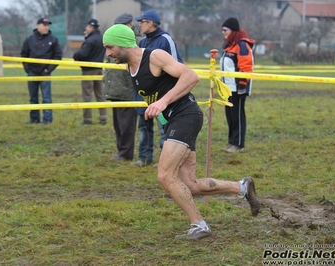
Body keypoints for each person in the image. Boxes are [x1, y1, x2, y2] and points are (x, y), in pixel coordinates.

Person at [103, 24, 260, 240]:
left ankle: (200, 225)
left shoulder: (155, 56)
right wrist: (157, 109)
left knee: (165, 174)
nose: (108, 53)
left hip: (185, 116)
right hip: (173, 121)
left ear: (122, 43)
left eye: (110, 47)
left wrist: (163, 102)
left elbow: (190, 76)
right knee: (190, 185)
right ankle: (242, 187)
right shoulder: (131, 67)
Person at [131, 10, 183, 167]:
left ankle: (164, 159)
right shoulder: (142, 42)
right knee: (144, 127)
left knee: (164, 128)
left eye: (142, 21)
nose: (139, 24)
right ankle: (144, 158)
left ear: (151, 23)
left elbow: (177, 66)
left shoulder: (166, 40)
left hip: (162, 96)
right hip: (144, 95)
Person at [103, 13, 142, 161]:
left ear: (130, 25)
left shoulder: (137, 41)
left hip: (127, 88)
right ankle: (121, 151)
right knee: (118, 124)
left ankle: (126, 153)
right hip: (114, 88)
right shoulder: (112, 40)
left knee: (127, 124)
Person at [220, 17, 255, 153]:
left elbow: (246, 65)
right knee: (230, 114)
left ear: (233, 30)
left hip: (238, 87)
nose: (223, 32)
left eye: (225, 30)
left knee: (237, 115)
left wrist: (242, 83)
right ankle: (231, 142)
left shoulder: (242, 45)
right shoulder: (230, 45)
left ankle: (239, 144)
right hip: (228, 88)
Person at [21, 17, 63, 125]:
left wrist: (48, 69)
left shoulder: (53, 39)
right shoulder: (29, 39)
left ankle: (47, 119)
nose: (46, 27)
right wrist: (27, 69)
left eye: (48, 25)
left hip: (45, 72)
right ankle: (34, 118)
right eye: (44, 25)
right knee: (33, 97)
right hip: (32, 72)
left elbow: (58, 56)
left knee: (46, 97)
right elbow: (23, 54)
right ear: (37, 25)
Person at [73, 19, 107, 125]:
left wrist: (75, 56)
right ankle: (103, 117)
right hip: (99, 69)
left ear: (91, 27)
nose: (85, 28)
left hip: (88, 70)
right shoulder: (101, 39)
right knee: (100, 94)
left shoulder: (90, 40)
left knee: (87, 95)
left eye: (87, 26)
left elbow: (82, 54)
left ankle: (87, 119)